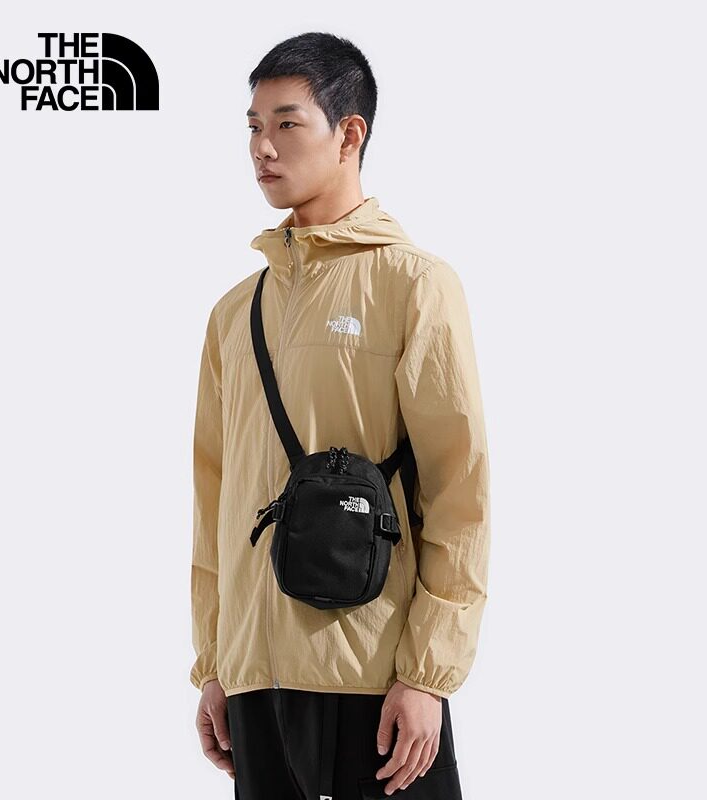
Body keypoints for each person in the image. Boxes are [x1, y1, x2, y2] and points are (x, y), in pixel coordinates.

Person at [190, 32, 491, 799]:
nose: (262, 147)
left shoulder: (414, 286)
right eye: (253, 127)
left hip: (373, 675)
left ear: (349, 133)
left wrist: (428, 674)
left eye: (287, 123)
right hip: (256, 682)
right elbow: (215, 501)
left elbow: (459, 492)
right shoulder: (234, 313)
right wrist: (218, 664)